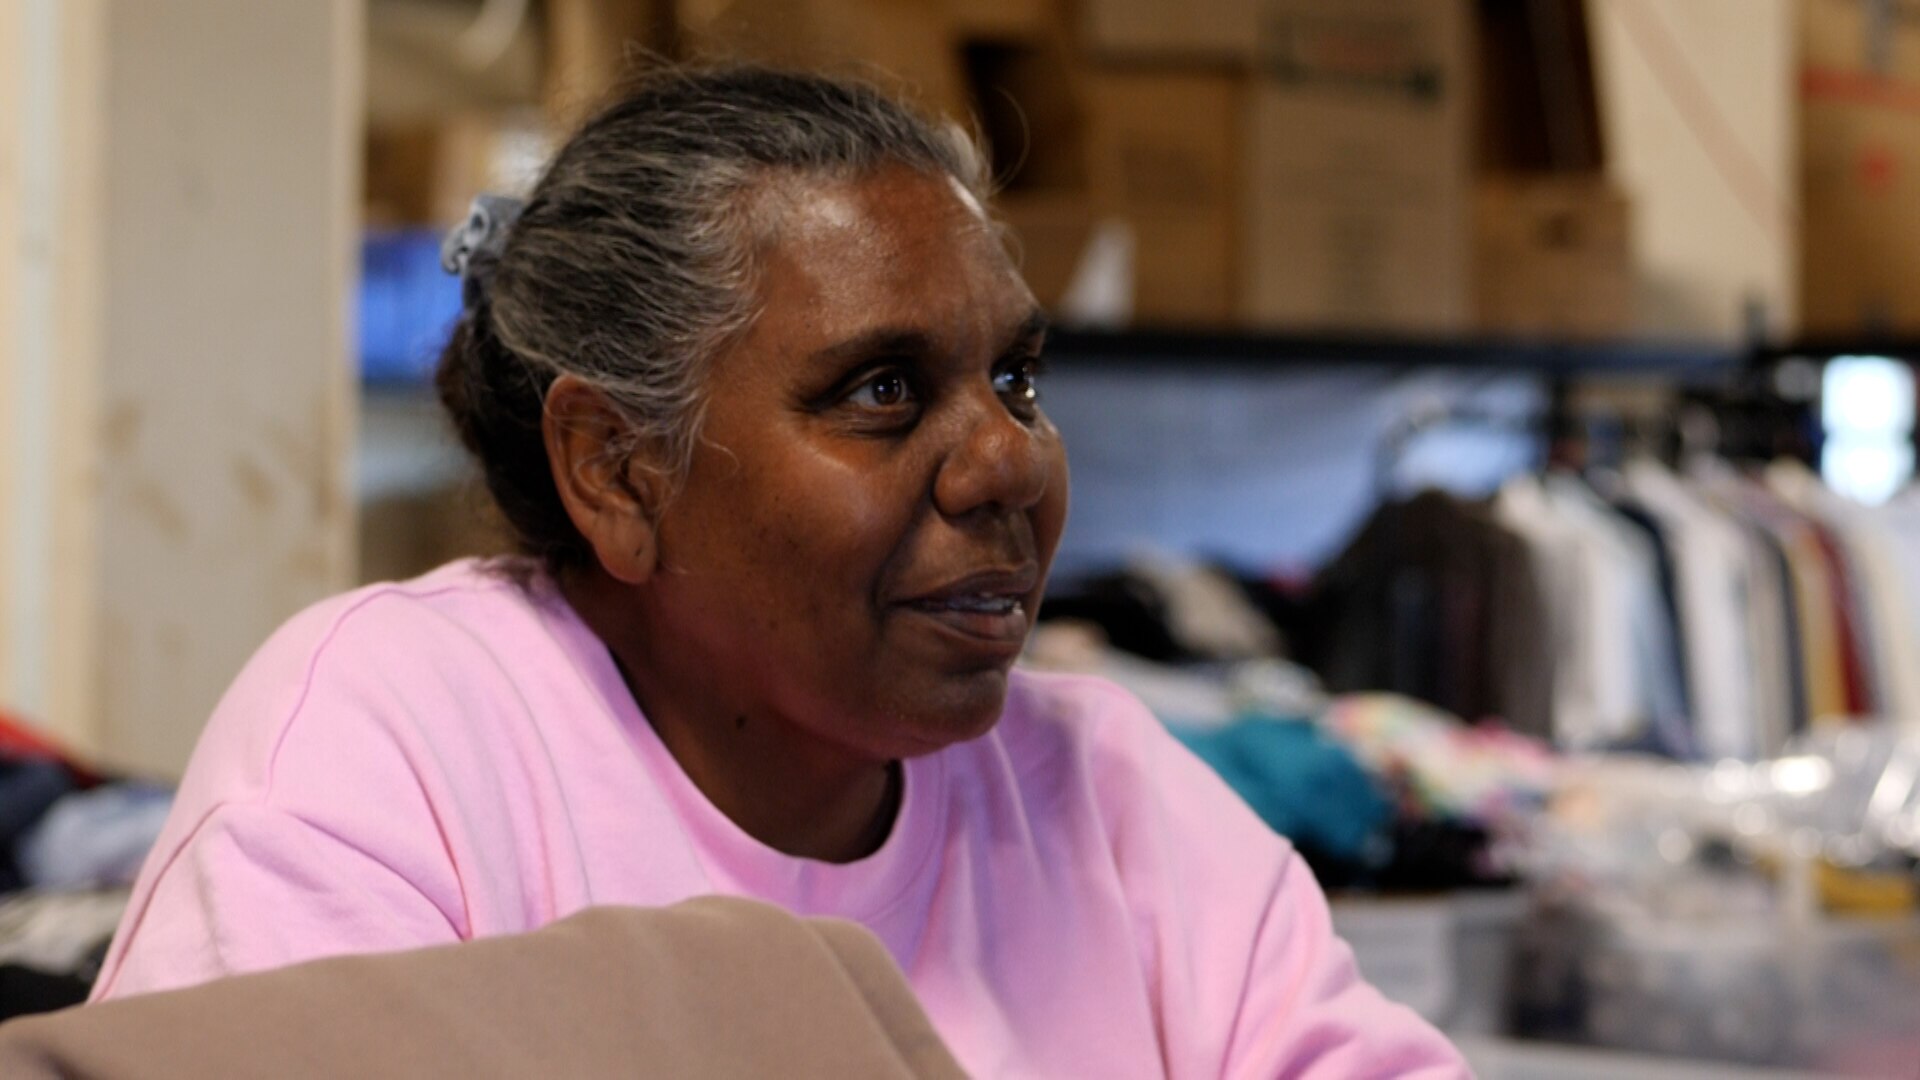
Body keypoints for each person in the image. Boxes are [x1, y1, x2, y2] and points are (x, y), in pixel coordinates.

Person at [91, 65, 1467, 1077]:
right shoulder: (397, 747)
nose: (1010, 463)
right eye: (882, 389)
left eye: (1017, 377)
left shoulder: (1103, 794)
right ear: (619, 470)